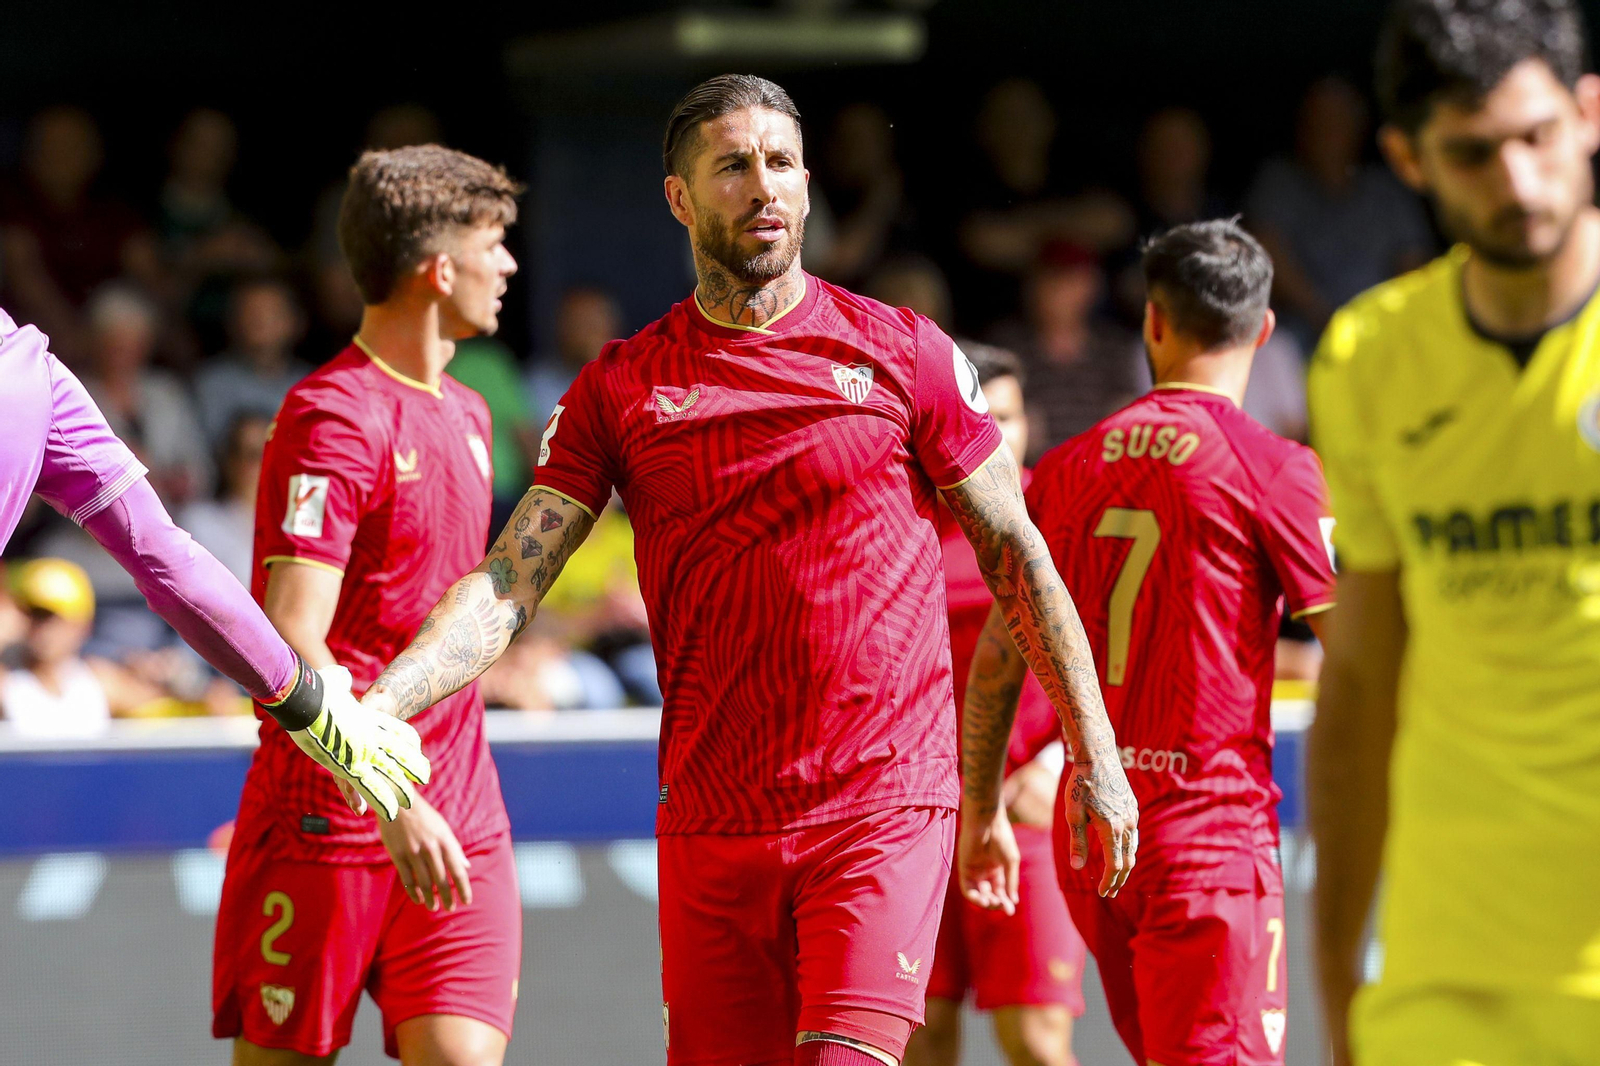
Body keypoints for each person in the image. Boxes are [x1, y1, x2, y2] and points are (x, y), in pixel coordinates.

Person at [357, 74, 1138, 1066]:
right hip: (711, 820)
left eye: (779, 162)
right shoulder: (624, 383)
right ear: (680, 199)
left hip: (876, 803)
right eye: (731, 166)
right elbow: (512, 578)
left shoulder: (905, 352)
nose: (761, 185)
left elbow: (1018, 552)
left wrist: (1095, 755)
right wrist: (389, 698)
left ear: (809, 186)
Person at [964, 220, 1336, 1066]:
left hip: (1095, 840)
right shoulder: (1272, 468)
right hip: (1210, 843)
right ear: (1264, 331)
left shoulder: (1064, 469)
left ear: (1154, 324)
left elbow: (996, 661)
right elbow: (1356, 654)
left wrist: (980, 811)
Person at [1309, 2, 1600, 1063]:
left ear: (1588, 113)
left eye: (1535, 139)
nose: (1516, 184)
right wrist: (1335, 966)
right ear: (1407, 158)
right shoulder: (1368, 358)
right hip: (1445, 978)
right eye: (1473, 154)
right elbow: (1361, 680)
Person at [211, 145, 523, 1066]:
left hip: (462, 809)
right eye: (494, 244)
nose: (508, 265)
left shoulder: (470, 412)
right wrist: (389, 796)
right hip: (327, 818)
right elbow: (290, 639)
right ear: (440, 268)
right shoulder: (334, 417)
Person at [0, 303, 425, 810]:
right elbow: (163, 556)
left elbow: (162, 555)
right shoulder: (29, 368)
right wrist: (310, 703)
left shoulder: (27, 369)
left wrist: (310, 702)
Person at [904, 342, 1086, 1066]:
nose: (995, 435)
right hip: (918, 816)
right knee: (920, 1042)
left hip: (1026, 808)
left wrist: (1054, 763)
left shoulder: (1060, 513)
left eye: (1006, 416)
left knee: (1037, 1041)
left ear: (1028, 423)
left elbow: (1115, 652)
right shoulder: (904, 516)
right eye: (981, 415)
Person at [1245, 76, 1435, 350]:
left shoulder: (1386, 190)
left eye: (1338, 120)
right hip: (1301, 334)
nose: (1327, 130)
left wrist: (1383, 324)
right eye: (1319, 120)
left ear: (1359, 127)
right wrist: (1332, 321)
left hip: (1382, 332)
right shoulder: (1278, 182)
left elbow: (1414, 268)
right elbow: (1267, 256)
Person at [0, 558, 112, 738]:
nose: (40, 628)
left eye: (50, 616)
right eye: (31, 614)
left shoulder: (101, 680)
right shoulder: (6, 681)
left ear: (81, 625)